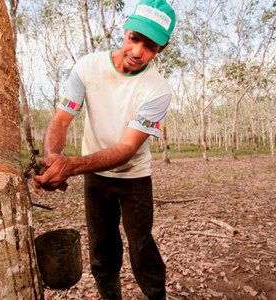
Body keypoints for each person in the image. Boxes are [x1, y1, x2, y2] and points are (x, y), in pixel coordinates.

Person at [32, 1, 176, 299]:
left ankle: (157, 295)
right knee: (102, 247)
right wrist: (50, 163)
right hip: (96, 178)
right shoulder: (88, 67)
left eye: (148, 47)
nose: (137, 52)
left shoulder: (158, 90)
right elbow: (61, 118)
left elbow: (126, 149)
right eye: (134, 39)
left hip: (134, 177)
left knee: (140, 245)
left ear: (160, 50)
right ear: (125, 31)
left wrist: (70, 166)